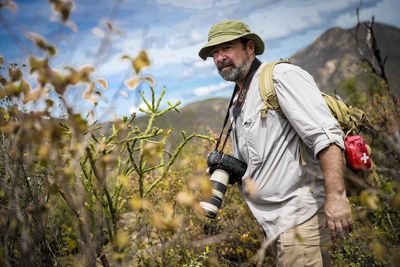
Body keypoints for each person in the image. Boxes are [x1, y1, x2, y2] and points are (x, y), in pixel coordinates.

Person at [198, 20, 353, 266]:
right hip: (276, 226)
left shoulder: (280, 77)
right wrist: (231, 168)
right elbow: (265, 155)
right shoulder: (240, 95)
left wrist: (336, 196)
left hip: (300, 219)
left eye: (226, 48)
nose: (219, 58)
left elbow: (326, 136)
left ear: (250, 47)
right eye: (214, 53)